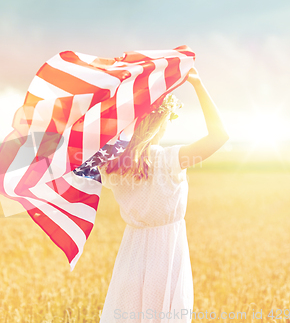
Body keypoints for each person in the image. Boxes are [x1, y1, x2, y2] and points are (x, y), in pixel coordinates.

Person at [97, 67, 229, 323]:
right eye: (170, 117)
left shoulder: (112, 166)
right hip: (167, 257)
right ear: (160, 120)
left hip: (131, 257)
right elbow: (219, 136)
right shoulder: (170, 160)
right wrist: (198, 85)